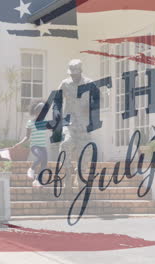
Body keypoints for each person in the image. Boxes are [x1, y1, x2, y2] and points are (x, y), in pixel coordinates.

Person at [58, 59, 93, 188]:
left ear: (80, 72)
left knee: (85, 150)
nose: (73, 75)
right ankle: (67, 173)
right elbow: (57, 100)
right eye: (71, 73)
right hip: (69, 123)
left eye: (75, 73)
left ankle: (80, 176)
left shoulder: (89, 83)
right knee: (66, 144)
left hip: (84, 125)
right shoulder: (65, 84)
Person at [13, 101, 48, 188]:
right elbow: (27, 137)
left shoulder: (45, 122)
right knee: (40, 157)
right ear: (36, 112)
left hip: (43, 146)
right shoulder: (30, 122)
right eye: (41, 111)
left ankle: (37, 181)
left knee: (44, 163)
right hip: (35, 146)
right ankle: (31, 169)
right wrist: (19, 144)